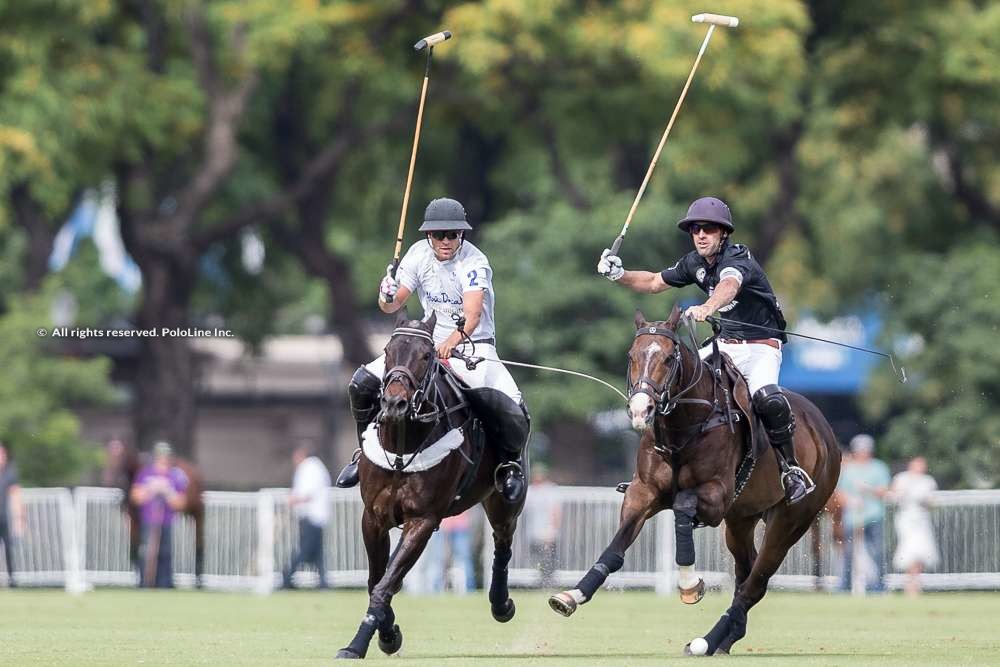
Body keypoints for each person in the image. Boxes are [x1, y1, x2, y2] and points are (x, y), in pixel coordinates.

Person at [597, 196, 813, 503]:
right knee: (671, 382)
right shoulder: (694, 263)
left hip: (760, 347)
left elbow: (729, 286)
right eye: (695, 228)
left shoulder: (737, 260)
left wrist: (708, 306)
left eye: (709, 228)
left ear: (723, 233)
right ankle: (648, 471)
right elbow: (655, 281)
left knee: (769, 399)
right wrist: (620, 274)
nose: (700, 234)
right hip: (724, 344)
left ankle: (790, 470)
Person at [335, 197, 530, 504]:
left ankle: (509, 466)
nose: (446, 241)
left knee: (512, 404)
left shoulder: (474, 262)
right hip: (424, 346)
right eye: (439, 234)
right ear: (428, 235)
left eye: (452, 234)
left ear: (461, 235)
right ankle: (364, 450)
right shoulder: (418, 254)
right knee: (361, 384)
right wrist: (385, 293)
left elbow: (474, 314)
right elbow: (392, 305)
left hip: (472, 346)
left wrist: (452, 341)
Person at [129, 441, 188, 588]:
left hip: (166, 520)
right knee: (146, 552)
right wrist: (151, 489)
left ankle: (164, 584)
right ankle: (145, 583)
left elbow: (181, 503)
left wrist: (168, 492)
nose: (163, 459)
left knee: (165, 552)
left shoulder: (174, 476)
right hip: (149, 519)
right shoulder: (145, 474)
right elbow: (136, 497)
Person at [837, 433, 890, 592]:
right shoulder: (848, 470)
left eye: (866, 450)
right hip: (852, 518)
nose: (863, 453)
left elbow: (885, 490)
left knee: (877, 553)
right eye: (860, 450)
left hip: (874, 516)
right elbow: (839, 492)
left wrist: (869, 490)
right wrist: (850, 501)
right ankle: (845, 586)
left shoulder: (879, 467)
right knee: (848, 554)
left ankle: (878, 586)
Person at [283, 443, 332, 589]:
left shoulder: (310, 467)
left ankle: (286, 579)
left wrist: (294, 500)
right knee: (317, 553)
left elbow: (308, 492)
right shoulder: (316, 467)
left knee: (304, 550)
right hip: (317, 515)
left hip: (311, 515)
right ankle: (323, 583)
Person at [890, 456, 939, 596]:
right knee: (910, 550)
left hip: (922, 519)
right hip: (906, 518)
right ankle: (910, 584)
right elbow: (893, 495)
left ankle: (915, 583)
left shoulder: (928, 481)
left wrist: (927, 502)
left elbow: (932, 502)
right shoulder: (902, 478)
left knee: (922, 551)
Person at [525, 464, 561, 587]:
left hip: (547, 531)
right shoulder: (530, 490)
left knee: (548, 558)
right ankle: (541, 581)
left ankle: (548, 582)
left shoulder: (550, 489)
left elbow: (556, 511)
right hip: (533, 531)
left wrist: (552, 530)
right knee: (537, 559)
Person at [0, 443, 26, 588]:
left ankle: (12, 580)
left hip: (5, 518)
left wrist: (19, 518)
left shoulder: (10, 473)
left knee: (9, 549)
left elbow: (16, 496)